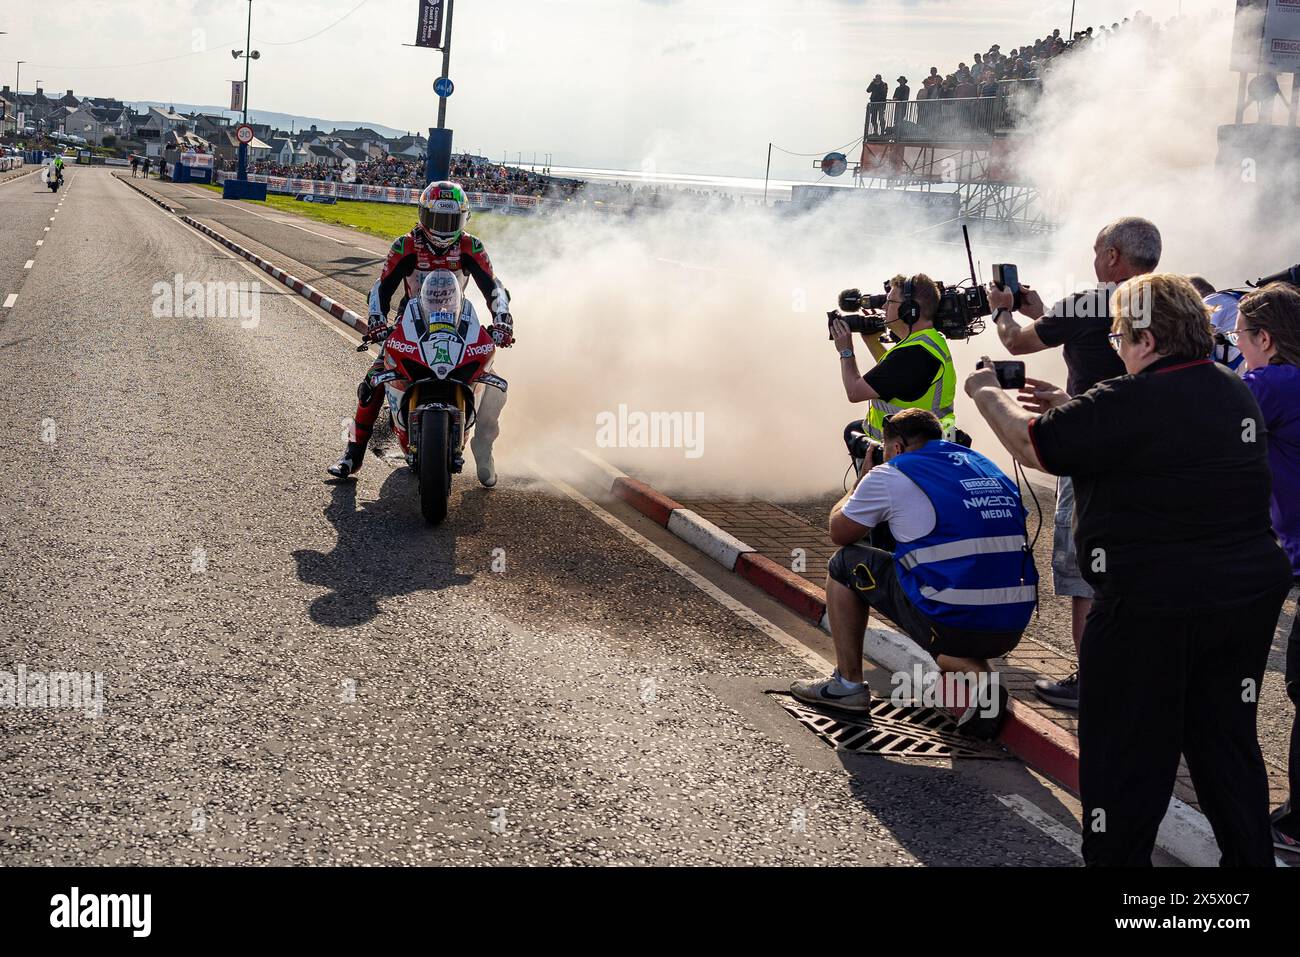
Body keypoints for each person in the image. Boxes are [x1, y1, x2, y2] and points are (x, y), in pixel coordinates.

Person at [969, 273, 1293, 866]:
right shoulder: (1229, 387)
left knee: (1124, 762)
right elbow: (1158, 437)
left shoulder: (1129, 399)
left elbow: (1028, 443)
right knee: (1225, 747)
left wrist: (987, 390)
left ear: (1145, 338)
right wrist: (1074, 410)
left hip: (1150, 606)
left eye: (1118, 334)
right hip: (1241, 600)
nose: (1115, 345)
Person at [987, 216, 1159, 709]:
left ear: (1111, 256)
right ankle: (1131, 671)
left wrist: (1004, 311)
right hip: (1149, 455)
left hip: (1090, 450)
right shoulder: (1166, 301)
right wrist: (1042, 312)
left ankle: (1092, 680)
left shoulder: (1091, 301)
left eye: (1096, 250)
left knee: (1085, 568)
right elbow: (1073, 334)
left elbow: (1017, 343)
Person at [790, 408, 1036, 740]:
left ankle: (847, 685)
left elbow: (840, 531)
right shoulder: (984, 465)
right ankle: (978, 678)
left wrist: (862, 481)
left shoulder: (892, 473)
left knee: (845, 563)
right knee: (953, 582)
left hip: (955, 621)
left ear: (897, 447)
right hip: (1010, 627)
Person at [329, 180, 513, 485]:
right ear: (423, 216)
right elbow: (381, 287)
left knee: (492, 381)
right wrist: (376, 319)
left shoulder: (470, 246)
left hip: (458, 319)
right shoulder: (405, 245)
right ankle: (353, 453)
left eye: (450, 220)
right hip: (411, 319)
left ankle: (483, 446)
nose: (443, 228)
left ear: (463, 219)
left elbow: (492, 285)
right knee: (373, 381)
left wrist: (503, 319)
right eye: (437, 220)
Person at [1231, 283, 1300, 852]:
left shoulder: (1269, 382)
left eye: (1239, 337)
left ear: (1266, 339)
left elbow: (1200, 420)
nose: (1237, 349)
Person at [832, 274, 960, 471]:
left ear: (910, 310)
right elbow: (899, 379)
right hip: (925, 442)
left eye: (889, 302)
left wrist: (845, 351)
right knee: (856, 428)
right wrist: (872, 341)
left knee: (853, 432)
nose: (883, 308)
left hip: (909, 453)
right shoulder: (929, 341)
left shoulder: (915, 354)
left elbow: (855, 392)